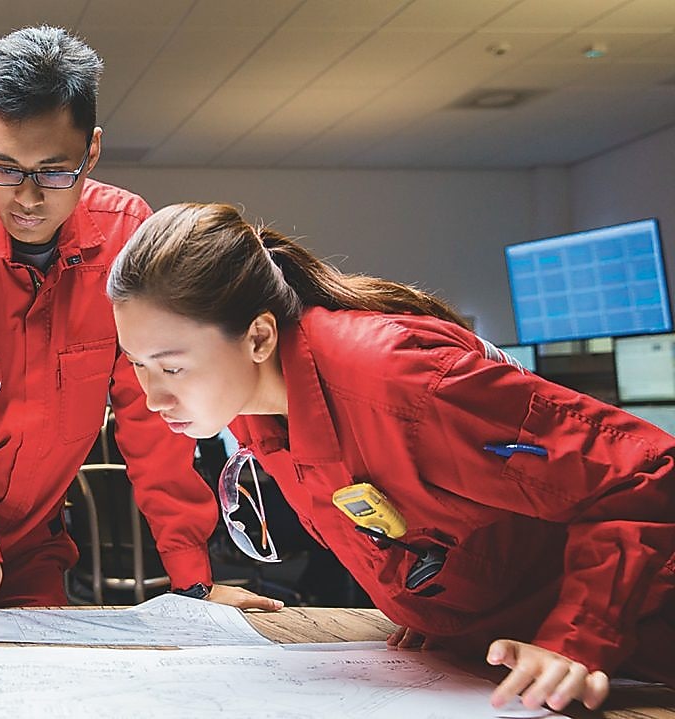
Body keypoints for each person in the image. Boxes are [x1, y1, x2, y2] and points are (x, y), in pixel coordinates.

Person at [107, 202, 674, 712]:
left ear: (258, 338)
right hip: (497, 659)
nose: (153, 398)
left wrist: (575, 639)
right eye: (136, 363)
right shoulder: (257, 410)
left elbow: (642, 474)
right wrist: (439, 611)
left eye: (172, 366)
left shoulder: (402, 382)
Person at [0, 26, 282, 613]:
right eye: (5, 168)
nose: (28, 198)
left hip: (31, 538)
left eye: (54, 172)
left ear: (92, 151)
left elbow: (152, 419)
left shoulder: (126, 237)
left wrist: (193, 579)